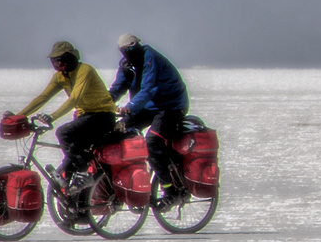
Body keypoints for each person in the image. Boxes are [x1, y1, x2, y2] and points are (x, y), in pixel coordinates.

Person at [16, 40, 123, 190]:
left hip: (103, 115)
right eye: (55, 60)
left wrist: (52, 116)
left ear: (71, 57)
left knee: (64, 132)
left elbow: (75, 99)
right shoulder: (60, 76)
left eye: (62, 59)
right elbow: (43, 97)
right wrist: (19, 116)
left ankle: (83, 171)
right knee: (71, 156)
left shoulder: (84, 70)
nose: (59, 63)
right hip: (85, 117)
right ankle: (76, 204)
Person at [109, 34, 191, 203]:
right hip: (148, 107)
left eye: (130, 49)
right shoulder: (126, 64)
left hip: (171, 106)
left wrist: (129, 108)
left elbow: (148, 90)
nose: (127, 53)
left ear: (137, 45)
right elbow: (118, 88)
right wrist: (101, 104)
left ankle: (171, 190)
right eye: (124, 51)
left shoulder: (150, 57)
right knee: (118, 133)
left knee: (153, 142)